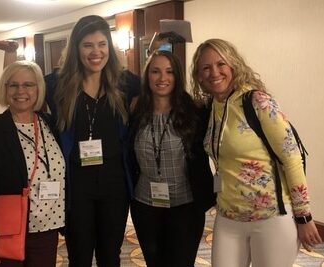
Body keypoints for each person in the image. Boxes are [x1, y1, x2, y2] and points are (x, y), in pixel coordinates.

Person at [0, 15, 140, 267]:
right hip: (75, 185)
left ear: (109, 48)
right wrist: (11, 54)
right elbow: (21, 86)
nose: (96, 52)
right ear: (76, 49)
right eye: (88, 45)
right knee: (79, 255)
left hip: (115, 186)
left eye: (102, 44)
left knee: (110, 255)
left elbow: (163, 87)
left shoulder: (125, 82)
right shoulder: (57, 83)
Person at [191, 38, 322, 267]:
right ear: (199, 76)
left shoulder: (257, 101)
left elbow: (292, 158)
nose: (214, 72)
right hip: (228, 217)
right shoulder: (210, 107)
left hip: (271, 217)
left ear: (233, 65)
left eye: (221, 64)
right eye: (206, 67)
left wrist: (304, 216)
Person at [0, 60, 65, 266]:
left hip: (47, 228)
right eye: (13, 85)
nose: (21, 91)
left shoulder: (50, 123)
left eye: (28, 84)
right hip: (6, 230)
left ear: (39, 88)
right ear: (5, 89)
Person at [129, 49, 216, 267]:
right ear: (147, 76)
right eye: (155, 71)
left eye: (169, 72)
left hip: (185, 207)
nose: (162, 78)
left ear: (177, 77)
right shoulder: (135, 109)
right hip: (145, 205)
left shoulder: (195, 111)